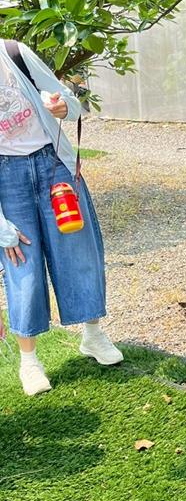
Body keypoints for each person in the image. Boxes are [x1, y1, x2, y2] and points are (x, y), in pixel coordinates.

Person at [0, 39, 123, 396]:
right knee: (21, 263)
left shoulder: (14, 54)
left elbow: (70, 104)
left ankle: (92, 335)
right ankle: (29, 361)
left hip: (51, 164)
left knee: (77, 250)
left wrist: (60, 107)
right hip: (7, 178)